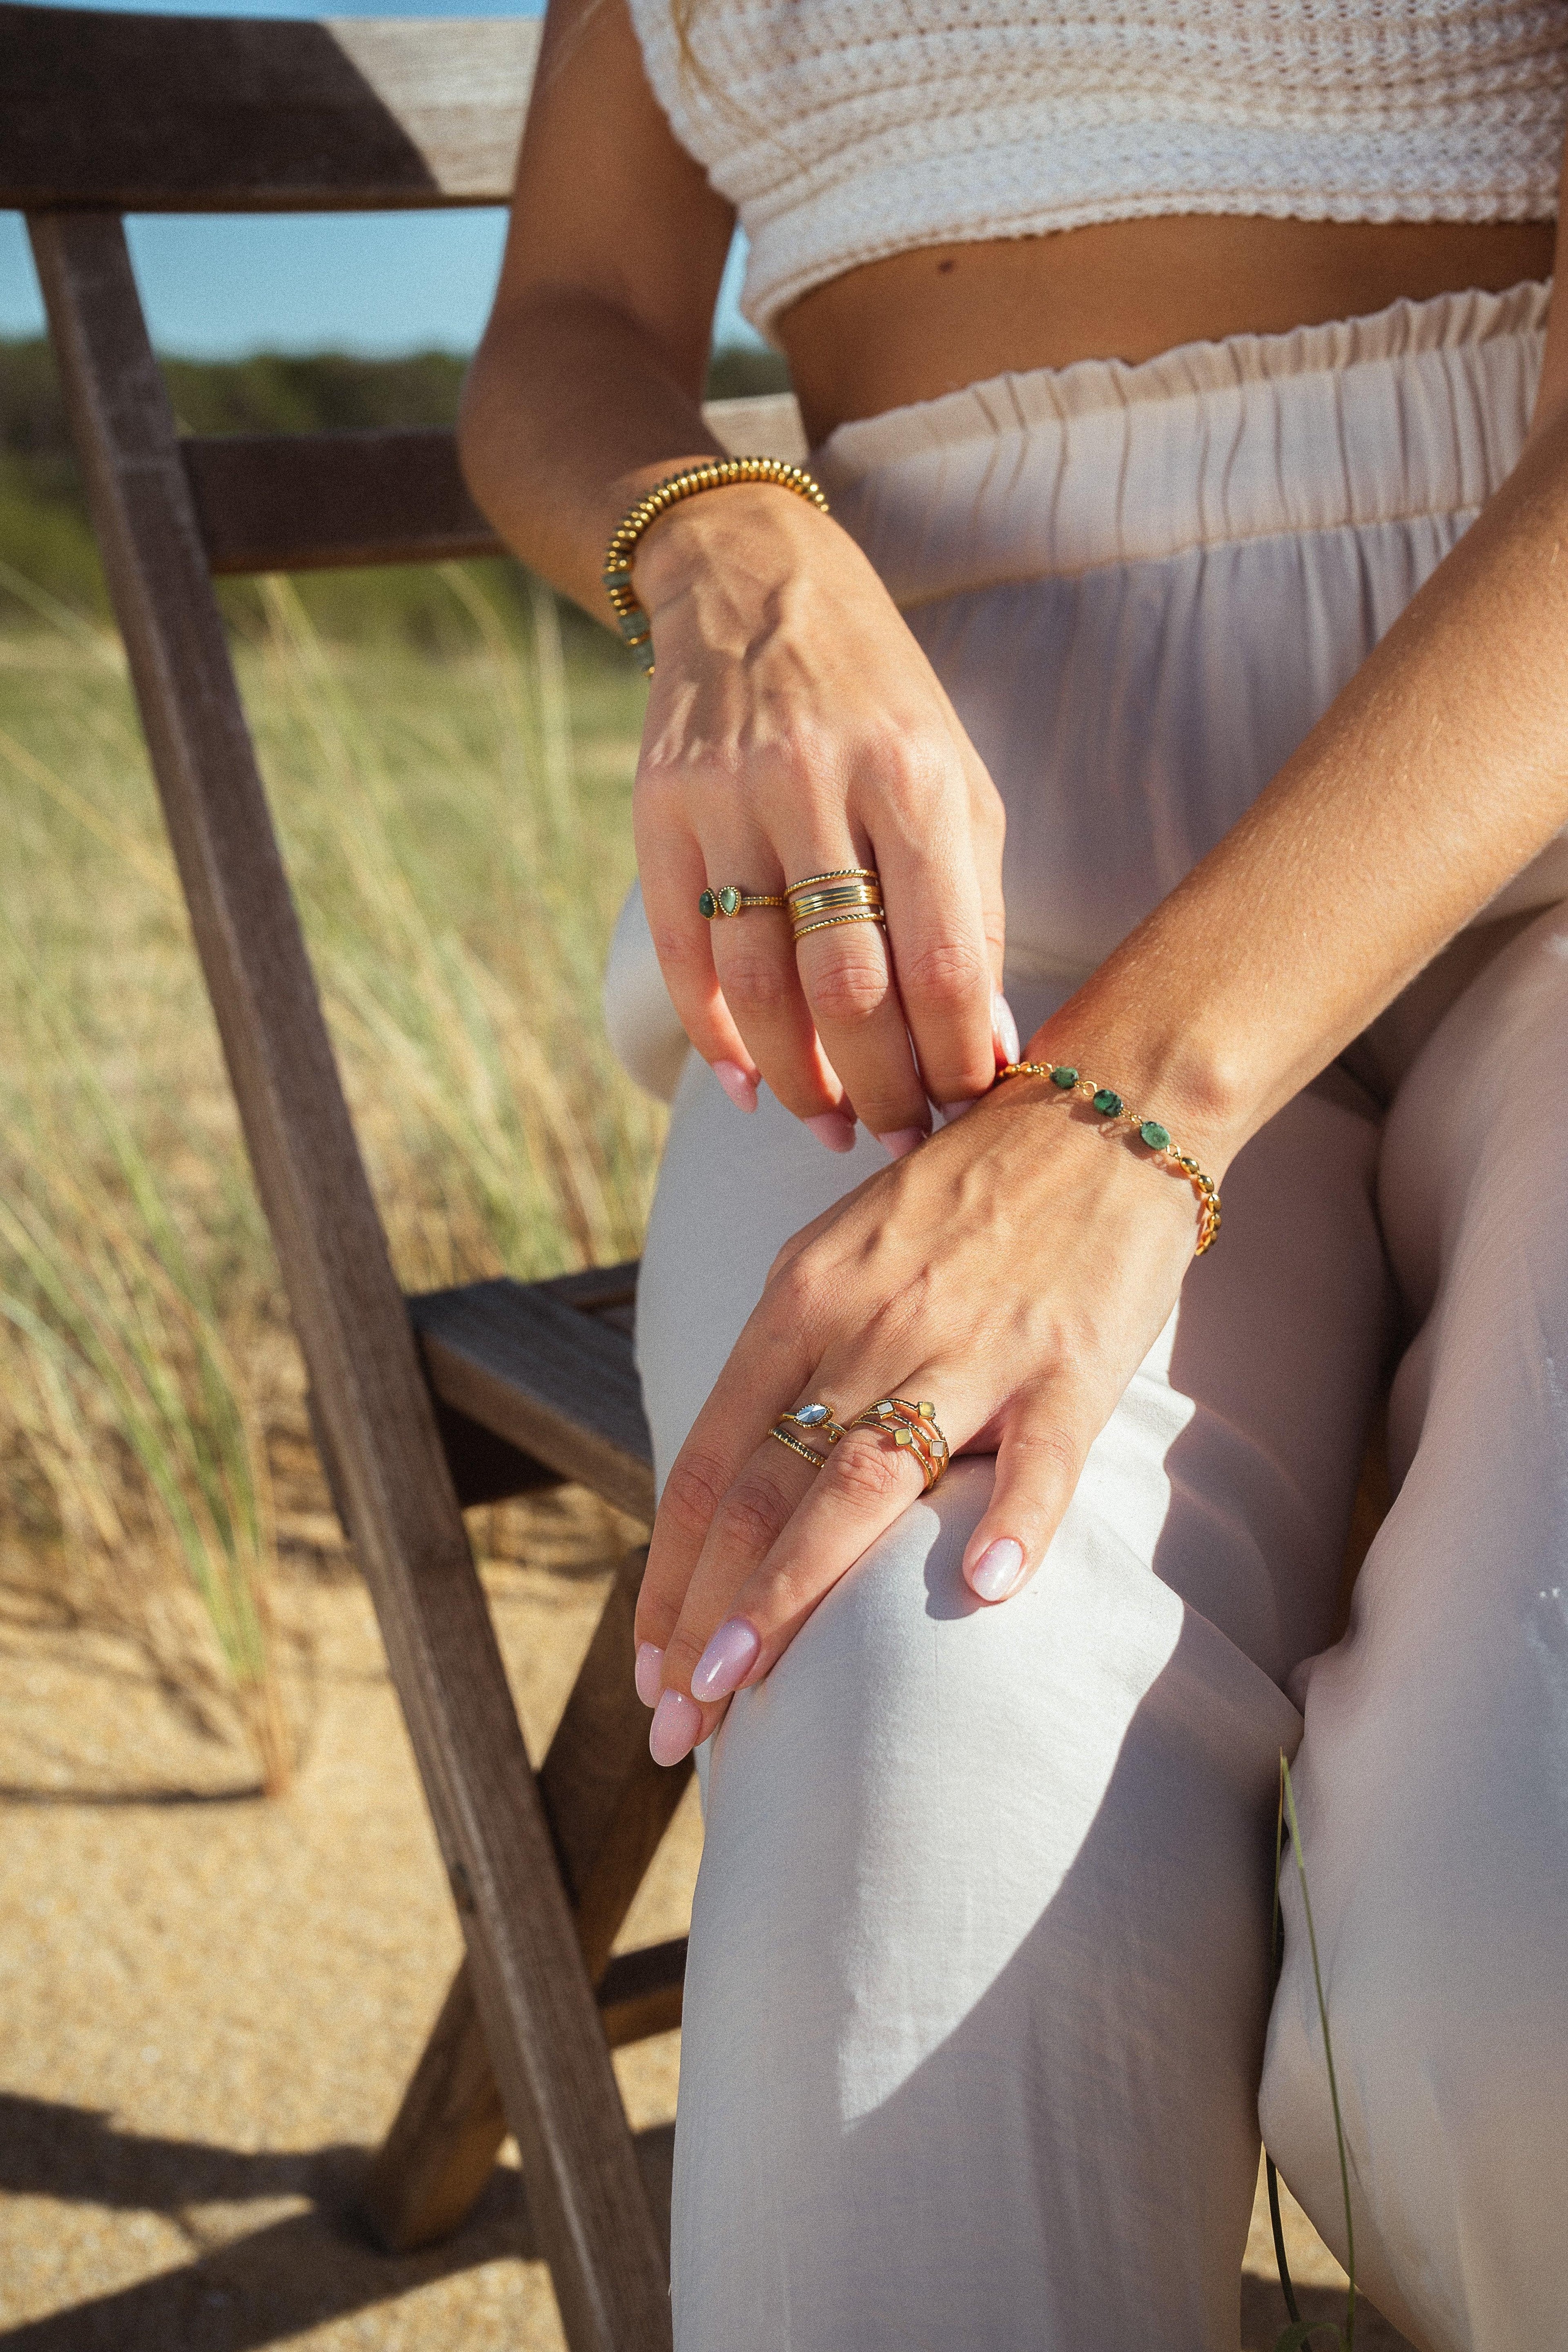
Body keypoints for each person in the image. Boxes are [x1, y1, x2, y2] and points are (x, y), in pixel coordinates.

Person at [459, 3, 1568, 2342]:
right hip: (941, 922)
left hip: (1527, 793)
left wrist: (1131, 1116)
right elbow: (565, 326)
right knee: (909, 1785)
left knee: (1524, 1963)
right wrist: (726, 537)